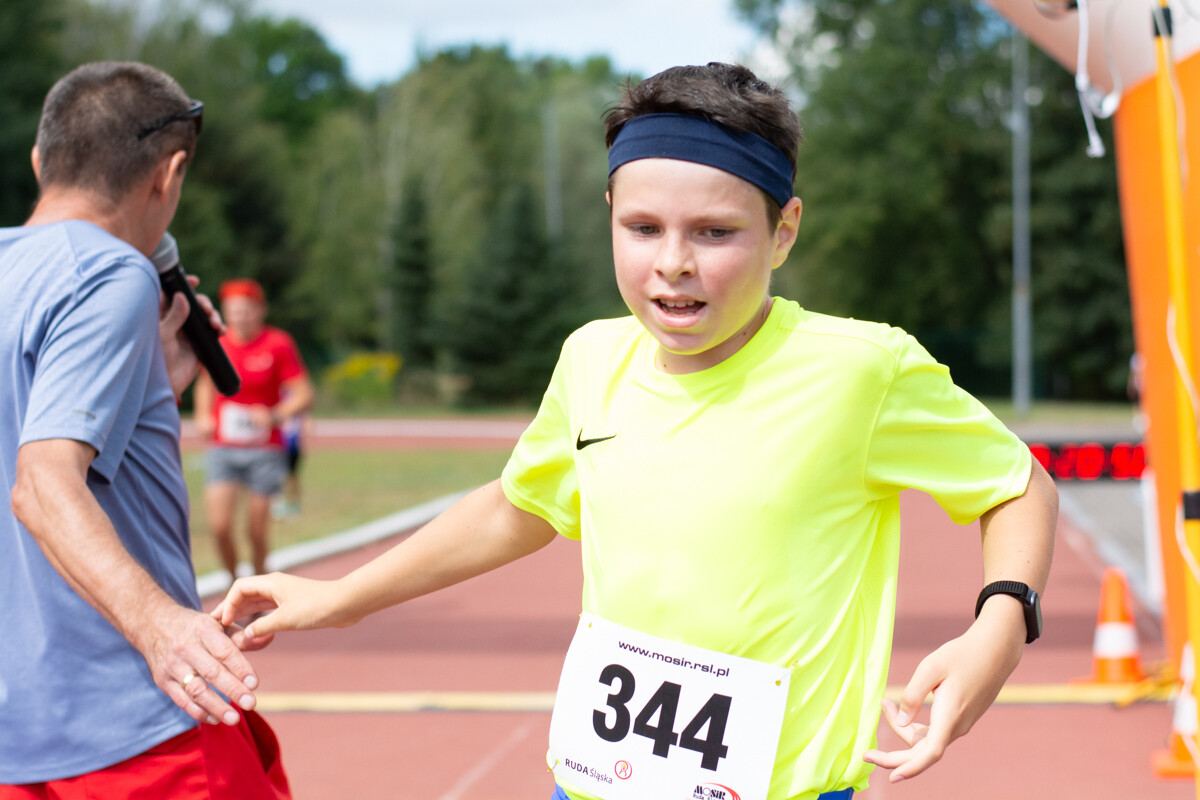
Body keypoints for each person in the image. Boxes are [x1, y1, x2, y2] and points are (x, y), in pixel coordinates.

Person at [217, 62, 1057, 799]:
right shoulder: (592, 357)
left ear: (784, 231)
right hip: (593, 784)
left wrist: (1001, 625)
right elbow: (519, 506)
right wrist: (341, 598)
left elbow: (1017, 484)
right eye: (643, 228)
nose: (673, 262)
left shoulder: (860, 371)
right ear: (610, 213)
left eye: (715, 233)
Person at [0, 62, 290, 798]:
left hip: (20, 733)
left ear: (39, 161)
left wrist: (150, 384)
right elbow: (41, 483)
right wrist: (159, 625)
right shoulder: (111, 273)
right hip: (132, 722)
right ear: (169, 174)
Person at [194, 278, 313, 583]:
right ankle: (233, 582)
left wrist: (275, 415)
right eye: (233, 310)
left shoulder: (278, 343)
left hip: (265, 449)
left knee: (256, 532)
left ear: (261, 310)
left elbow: (303, 394)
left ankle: (259, 585)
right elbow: (205, 383)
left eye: (246, 309)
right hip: (224, 447)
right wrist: (203, 415)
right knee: (220, 526)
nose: (240, 316)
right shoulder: (218, 342)